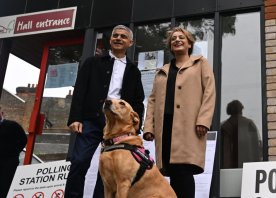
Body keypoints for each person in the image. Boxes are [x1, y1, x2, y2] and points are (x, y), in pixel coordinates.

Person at [65, 25, 145, 197]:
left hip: (118, 126)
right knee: (79, 161)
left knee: (110, 170)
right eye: (115, 35)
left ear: (130, 43)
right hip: (91, 120)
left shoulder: (134, 71)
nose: (118, 38)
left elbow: (138, 102)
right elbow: (80, 91)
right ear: (110, 40)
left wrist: (135, 127)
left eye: (123, 36)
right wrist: (75, 118)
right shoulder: (92, 62)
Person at [143, 27, 216, 198]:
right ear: (170, 45)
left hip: (188, 127)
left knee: (183, 170)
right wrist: (149, 127)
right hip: (166, 128)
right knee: (173, 172)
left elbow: (209, 92)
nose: (177, 40)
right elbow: (152, 100)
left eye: (181, 37)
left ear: (189, 43)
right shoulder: (162, 71)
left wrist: (203, 120)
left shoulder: (200, 64)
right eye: (173, 38)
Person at [221, 100, 262, 169]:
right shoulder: (249, 123)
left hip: (229, 168)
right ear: (241, 109)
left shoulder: (224, 126)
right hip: (249, 166)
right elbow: (257, 147)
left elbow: (224, 151)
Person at [0, 109, 27, 197]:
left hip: (8, 164)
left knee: (4, 189)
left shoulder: (12, 125)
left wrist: (12, 152)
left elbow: (23, 140)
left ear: (2, 113)